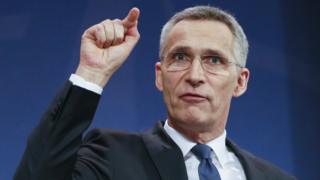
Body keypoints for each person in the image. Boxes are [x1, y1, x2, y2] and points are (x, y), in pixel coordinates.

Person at [14, 5, 296, 180]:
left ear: (240, 82)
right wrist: (92, 72)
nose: (195, 76)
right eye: (180, 58)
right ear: (159, 76)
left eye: (214, 60)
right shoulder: (110, 156)